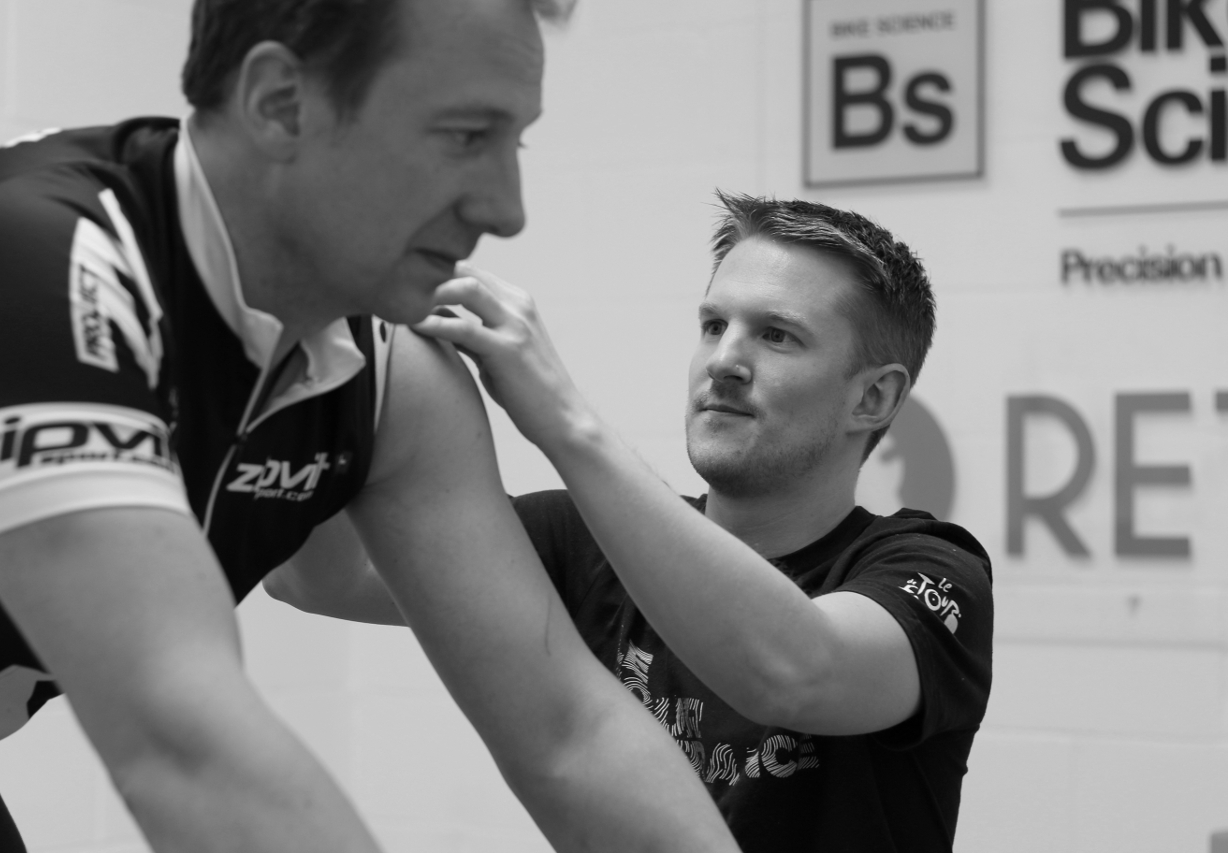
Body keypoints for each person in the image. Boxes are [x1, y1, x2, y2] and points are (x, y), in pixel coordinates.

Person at [0, 2, 744, 852]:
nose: (507, 209)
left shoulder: (390, 373)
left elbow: (569, 737)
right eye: (464, 135)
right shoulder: (39, 263)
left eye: (515, 143)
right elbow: (185, 750)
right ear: (280, 103)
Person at [270, 193, 994, 851]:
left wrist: (563, 419)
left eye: (777, 336)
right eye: (714, 325)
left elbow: (793, 672)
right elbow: (317, 577)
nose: (724, 361)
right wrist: (321, 349)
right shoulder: (580, 539)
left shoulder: (931, 571)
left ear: (873, 399)